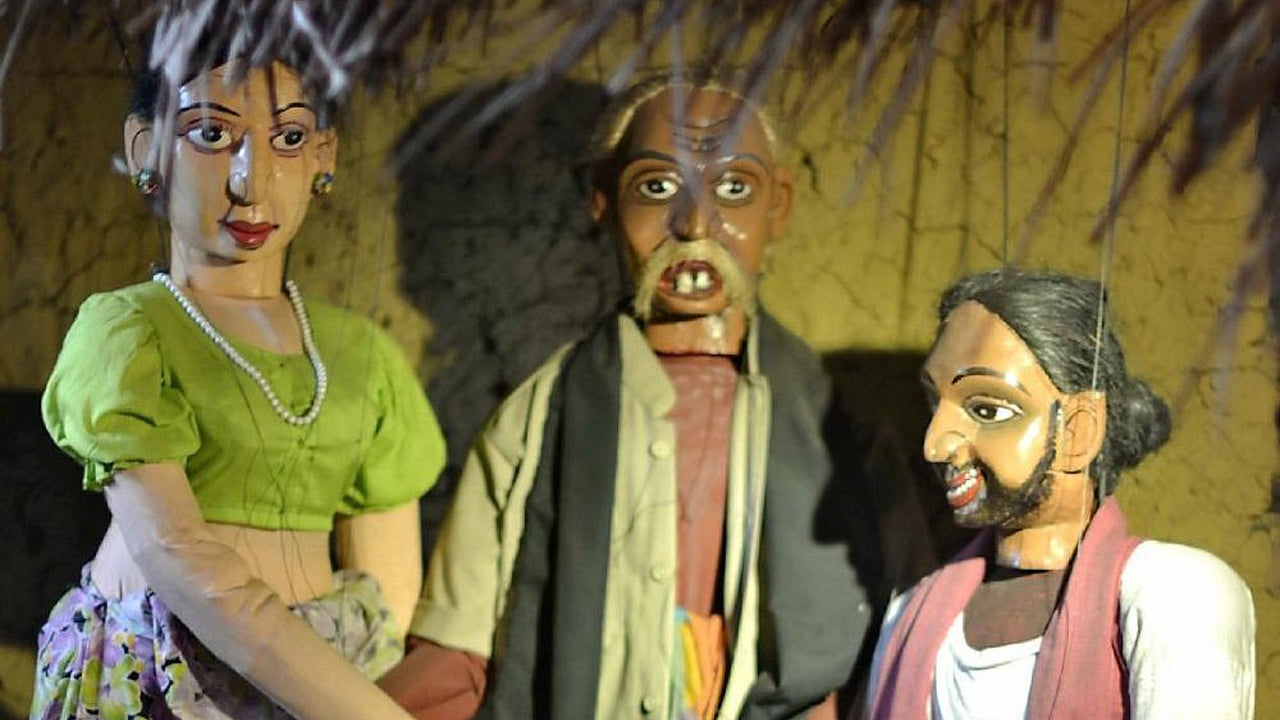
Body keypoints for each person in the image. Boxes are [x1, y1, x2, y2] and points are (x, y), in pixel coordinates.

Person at [377, 75, 880, 720]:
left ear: (778, 204)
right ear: (603, 199)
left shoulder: (837, 427)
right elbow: (456, 655)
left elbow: (896, 643)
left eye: (733, 189)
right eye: (657, 188)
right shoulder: (539, 419)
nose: (694, 223)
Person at [29, 22, 445, 720]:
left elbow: (389, 586)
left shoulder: (360, 354)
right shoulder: (128, 332)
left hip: (328, 683)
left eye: (288, 139)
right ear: (146, 148)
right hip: (162, 674)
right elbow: (179, 554)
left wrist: (363, 691)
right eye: (212, 135)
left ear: (324, 155)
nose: (251, 183)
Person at [866, 269, 1256, 720]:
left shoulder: (1177, 595)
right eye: (935, 405)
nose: (935, 445)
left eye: (987, 409)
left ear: (1078, 430)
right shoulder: (911, 616)